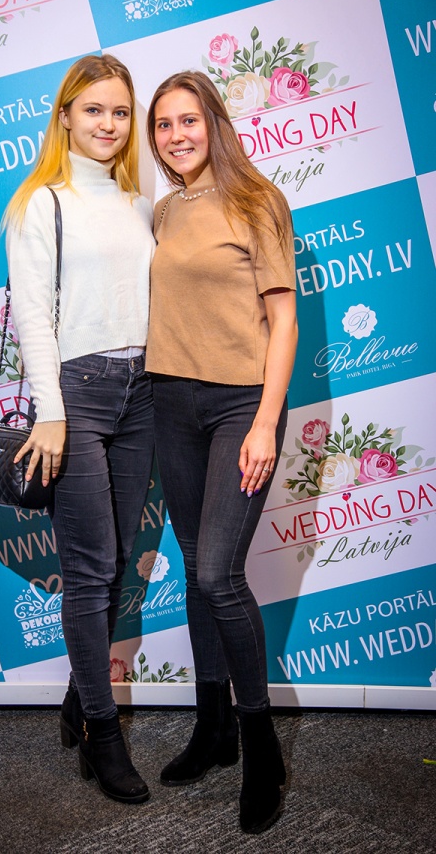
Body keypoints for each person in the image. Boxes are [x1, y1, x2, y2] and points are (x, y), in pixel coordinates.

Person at [145, 71, 298, 833]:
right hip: (169, 404)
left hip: (240, 406)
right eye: (163, 124)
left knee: (218, 574)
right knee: (194, 570)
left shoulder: (257, 200)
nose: (176, 135)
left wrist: (265, 422)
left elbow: (283, 320)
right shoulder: (165, 210)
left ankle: (261, 747)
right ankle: (213, 729)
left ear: (215, 122)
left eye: (188, 120)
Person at [3, 54, 155, 805]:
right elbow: (33, 317)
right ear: (64, 115)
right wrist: (53, 413)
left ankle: (76, 699)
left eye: (120, 111)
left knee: (119, 557)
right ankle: (102, 730)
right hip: (80, 395)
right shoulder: (43, 203)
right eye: (93, 109)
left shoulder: (138, 202)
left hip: (145, 392)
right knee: (92, 570)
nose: (108, 123)